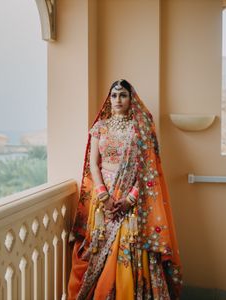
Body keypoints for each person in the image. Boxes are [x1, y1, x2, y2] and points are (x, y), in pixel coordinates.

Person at [67, 79, 182, 299]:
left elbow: (149, 169)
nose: (118, 100)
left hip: (133, 200)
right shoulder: (100, 127)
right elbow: (93, 164)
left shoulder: (140, 129)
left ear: (131, 99)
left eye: (123, 95)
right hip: (103, 201)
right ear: (109, 99)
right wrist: (103, 194)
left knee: (128, 251)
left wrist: (130, 198)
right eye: (114, 95)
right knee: (99, 248)